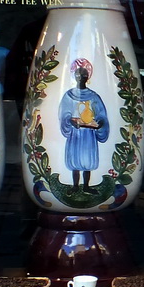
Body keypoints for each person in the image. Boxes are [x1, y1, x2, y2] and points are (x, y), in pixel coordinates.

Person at [58, 58, 109, 189]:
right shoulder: (69, 95)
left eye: (84, 75)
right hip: (75, 134)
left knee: (87, 160)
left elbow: (101, 114)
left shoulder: (93, 96)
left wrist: (100, 122)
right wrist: (70, 120)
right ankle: (75, 186)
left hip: (89, 134)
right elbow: (64, 114)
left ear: (88, 77)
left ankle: (86, 186)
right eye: (78, 75)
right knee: (75, 160)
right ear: (74, 76)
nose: (81, 77)